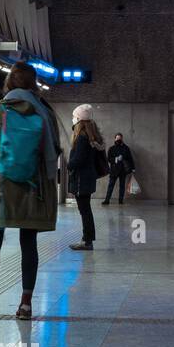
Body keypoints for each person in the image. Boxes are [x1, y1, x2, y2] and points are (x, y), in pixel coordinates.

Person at [0, 62, 62, 321]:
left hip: (1, 190)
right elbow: (55, 148)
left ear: (9, 83)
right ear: (33, 84)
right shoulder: (45, 111)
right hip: (34, 189)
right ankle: (26, 305)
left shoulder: (0, 110)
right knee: (28, 243)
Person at [67, 104, 105, 250]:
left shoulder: (82, 137)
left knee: (85, 211)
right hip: (87, 178)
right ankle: (87, 239)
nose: (72, 119)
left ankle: (87, 241)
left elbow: (79, 159)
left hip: (81, 179)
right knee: (86, 210)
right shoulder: (90, 136)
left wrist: (69, 165)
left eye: (74, 117)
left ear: (78, 119)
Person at [103, 132, 135, 205]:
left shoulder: (126, 148)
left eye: (120, 138)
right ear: (115, 139)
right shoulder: (111, 148)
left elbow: (130, 158)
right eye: (117, 138)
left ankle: (120, 201)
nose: (118, 140)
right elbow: (108, 159)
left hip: (123, 170)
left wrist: (133, 168)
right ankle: (107, 200)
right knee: (110, 185)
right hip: (114, 170)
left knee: (122, 186)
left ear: (122, 139)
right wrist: (116, 159)